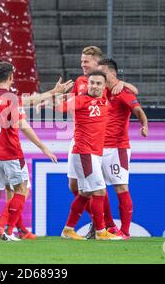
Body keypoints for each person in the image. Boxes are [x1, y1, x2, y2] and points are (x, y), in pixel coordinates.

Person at [0, 62, 72, 239]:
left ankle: (15, 229)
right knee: (21, 191)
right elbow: (24, 121)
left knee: (0, 192)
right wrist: (44, 147)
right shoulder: (11, 98)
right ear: (7, 77)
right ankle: (6, 229)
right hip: (10, 152)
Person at [67, 47, 139, 219]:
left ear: (98, 64)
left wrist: (122, 83)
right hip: (78, 138)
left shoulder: (103, 83)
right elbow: (71, 101)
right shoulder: (80, 81)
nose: (82, 64)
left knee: (97, 185)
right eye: (82, 61)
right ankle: (99, 221)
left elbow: (133, 92)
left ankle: (105, 224)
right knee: (74, 186)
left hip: (98, 142)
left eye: (86, 61)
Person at [84, 58, 148, 240]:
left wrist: (144, 124)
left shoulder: (123, 93)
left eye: (103, 73)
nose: (99, 77)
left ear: (112, 74)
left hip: (117, 149)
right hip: (97, 148)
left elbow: (138, 110)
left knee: (121, 187)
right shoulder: (99, 92)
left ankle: (125, 231)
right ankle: (109, 226)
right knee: (98, 189)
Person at [56, 71, 121, 240]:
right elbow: (60, 107)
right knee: (99, 191)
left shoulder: (104, 99)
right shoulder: (81, 100)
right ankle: (100, 232)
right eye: (91, 82)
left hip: (94, 153)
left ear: (105, 86)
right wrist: (57, 94)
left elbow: (117, 85)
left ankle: (68, 230)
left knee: (85, 193)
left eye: (98, 83)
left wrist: (122, 83)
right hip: (85, 152)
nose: (94, 86)